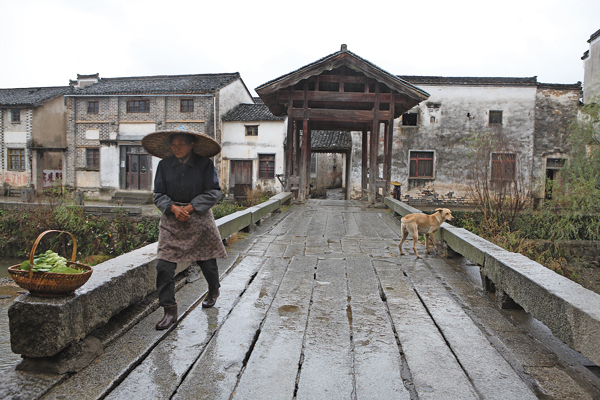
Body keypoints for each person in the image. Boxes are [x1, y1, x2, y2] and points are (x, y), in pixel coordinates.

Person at [142, 128, 227, 330]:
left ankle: (214, 289)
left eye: (181, 143)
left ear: (192, 144)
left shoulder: (205, 164)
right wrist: (173, 208)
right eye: (174, 144)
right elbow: (158, 195)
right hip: (172, 219)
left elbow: (214, 192)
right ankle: (169, 310)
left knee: (207, 259)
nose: (177, 147)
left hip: (198, 216)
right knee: (164, 265)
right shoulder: (164, 165)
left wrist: (189, 208)